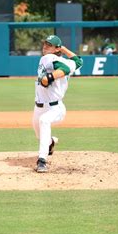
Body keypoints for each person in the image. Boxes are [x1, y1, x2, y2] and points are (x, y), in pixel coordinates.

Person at [34, 35, 83, 173]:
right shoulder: (61, 59)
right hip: (38, 107)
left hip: (55, 108)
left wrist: (50, 77)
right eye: (45, 44)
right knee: (40, 135)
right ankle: (50, 143)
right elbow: (78, 62)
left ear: (56, 49)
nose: (45, 47)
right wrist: (64, 49)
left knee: (44, 121)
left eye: (49, 45)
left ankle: (42, 160)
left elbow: (64, 69)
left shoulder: (49, 58)